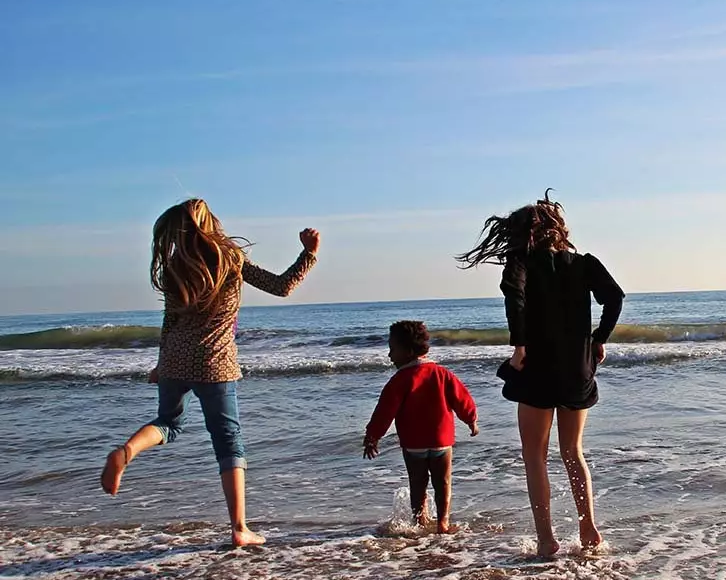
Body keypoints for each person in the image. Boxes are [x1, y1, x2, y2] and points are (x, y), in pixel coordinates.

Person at [99, 198, 319, 547]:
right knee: (228, 440)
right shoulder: (230, 259)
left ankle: (126, 451)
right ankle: (239, 528)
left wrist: (160, 364)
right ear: (210, 224)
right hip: (215, 363)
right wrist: (308, 254)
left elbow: (169, 321)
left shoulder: (175, 267)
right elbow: (281, 286)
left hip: (174, 359)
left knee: (168, 423)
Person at [457, 191, 624, 558]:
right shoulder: (585, 264)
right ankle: (587, 526)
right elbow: (615, 298)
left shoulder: (521, 263)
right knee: (572, 451)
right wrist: (598, 339)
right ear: (557, 229)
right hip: (577, 365)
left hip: (537, 366)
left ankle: (546, 539)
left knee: (534, 454)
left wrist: (519, 346)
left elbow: (513, 296)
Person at [362, 320, 479, 534]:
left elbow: (384, 412)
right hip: (441, 441)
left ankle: (420, 522)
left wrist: (372, 437)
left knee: (418, 484)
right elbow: (462, 399)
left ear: (407, 351)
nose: (389, 356)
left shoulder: (399, 380)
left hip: (414, 443)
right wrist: (471, 420)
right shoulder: (443, 374)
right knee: (443, 482)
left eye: (392, 349)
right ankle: (443, 522)